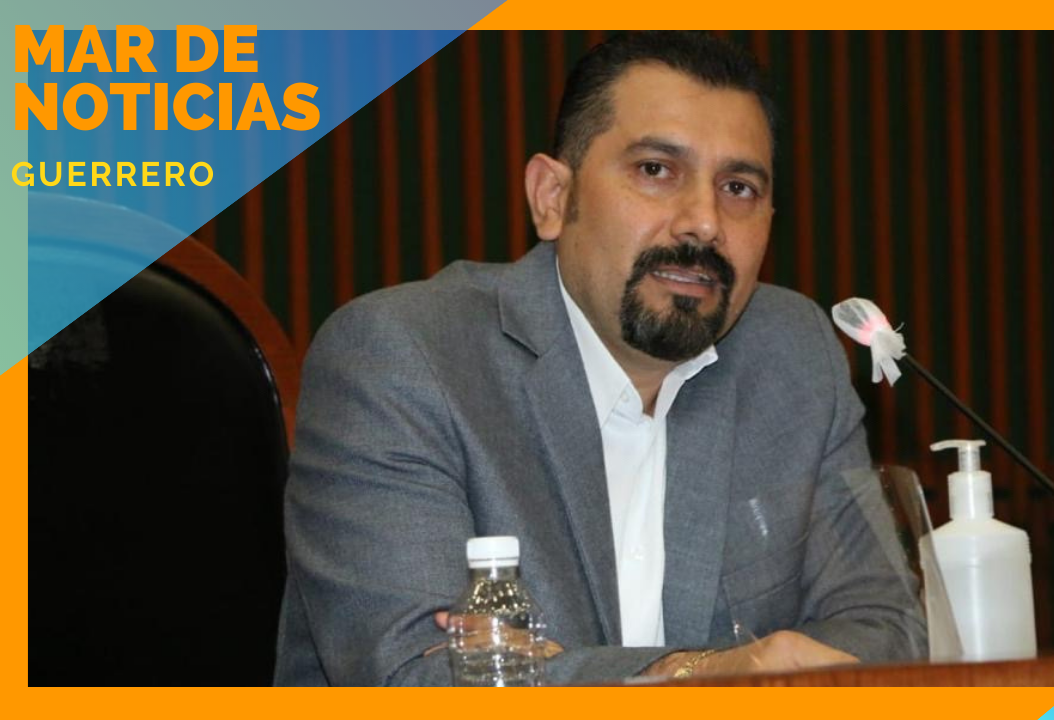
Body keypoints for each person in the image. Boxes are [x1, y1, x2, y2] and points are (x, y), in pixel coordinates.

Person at [274, 31, 926, 687]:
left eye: (738, 187)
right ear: (553, 198)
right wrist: (704, 675)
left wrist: (558, 672)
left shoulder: (792, 354)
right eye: (655, 170)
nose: (704, 221)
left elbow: (888, 629)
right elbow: (415, 677)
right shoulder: (406, 356)